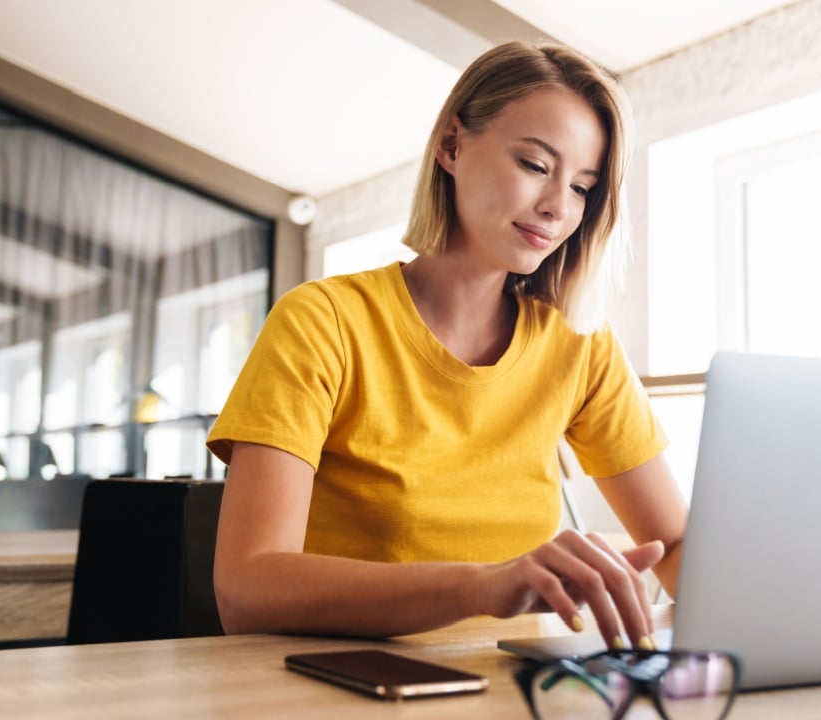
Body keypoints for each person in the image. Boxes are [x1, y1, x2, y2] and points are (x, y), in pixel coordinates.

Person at [207, 40, 687, 650]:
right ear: (452, 145)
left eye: (583, 188)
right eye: (536, 166)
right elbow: (246, 589)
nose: (555, 207)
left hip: (513, 682)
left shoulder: (579, 345)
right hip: (344, 682)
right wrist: (484, 586)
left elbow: (673, 545)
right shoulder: (323, 322)